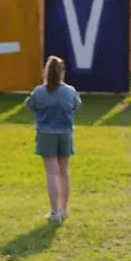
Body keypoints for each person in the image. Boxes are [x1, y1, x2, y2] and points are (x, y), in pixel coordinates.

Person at [24, 56, 81, 223]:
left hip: (46, 134)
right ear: (62, 72)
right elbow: (76, 105)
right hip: (65, 133)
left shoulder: (40, 92)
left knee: (51, 173)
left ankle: (54, 212)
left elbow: (29, 105)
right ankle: (63, 209)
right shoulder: (70, 91)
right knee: (64, 172)